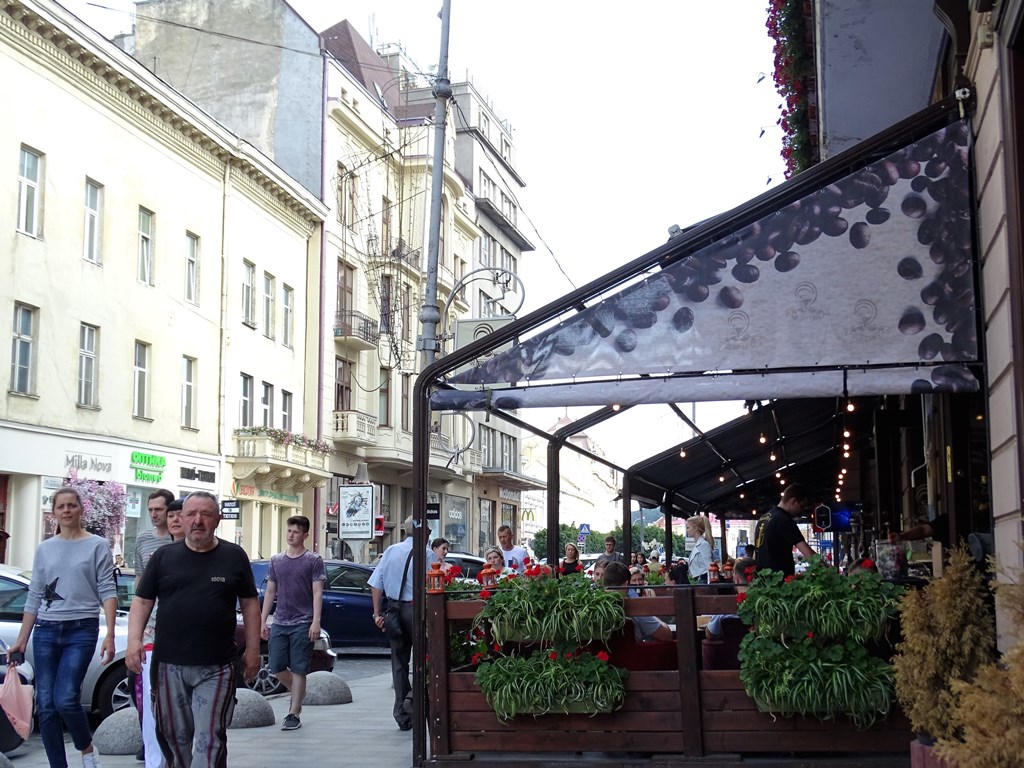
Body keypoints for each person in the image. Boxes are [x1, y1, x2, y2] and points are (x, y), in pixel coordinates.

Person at [128, 492, 260, 768]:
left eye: (206, 514)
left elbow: (249, 604)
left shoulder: (233, 556)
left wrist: (253, 651)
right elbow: (142, 601)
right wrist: (133, 641)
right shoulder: (164, 557)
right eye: (191, 514)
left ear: (217, 520)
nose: (197, 521)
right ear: (181, 519)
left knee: (209, 738)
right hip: (168, 665)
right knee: (175, 739)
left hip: (218, 665)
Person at [8, 487, 117, 768]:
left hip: (81, 630)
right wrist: (21, 640)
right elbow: (34, 595)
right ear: (54, 512)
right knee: (45, 706)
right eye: (61, 507)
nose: (67, 510)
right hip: (45, 631)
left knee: (66, 699)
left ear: (81, 509)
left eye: (72, 505)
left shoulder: (97, 545)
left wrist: (111, 636)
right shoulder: (45, 549)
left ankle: (86, 746)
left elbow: (107, 590)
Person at [368, 517, 435, 731]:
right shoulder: (427, 553)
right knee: (425, 658)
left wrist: (377, 613)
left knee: (398, 663)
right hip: (416, 610)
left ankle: (401, 713)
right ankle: (412, 699)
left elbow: (375, 584)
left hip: (394, 610)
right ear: (422, 532)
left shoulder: (390, 551)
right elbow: (432, 584)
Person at [260, 515, 325, 732]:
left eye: (296, 532)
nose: (291, 535)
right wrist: (262, 619)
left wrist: (316, 622)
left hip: (303, 621)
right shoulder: (276, 560)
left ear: (305, 535)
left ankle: (293, 712)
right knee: (276, 665)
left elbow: (317, 593)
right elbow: (270, 591)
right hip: (280, 621)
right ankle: (299, 692)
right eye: (289, 530)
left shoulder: (313, 560)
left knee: (299, 668)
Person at [133, 489, 176, 767]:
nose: (155, 515)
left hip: (176, 629)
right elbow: (139, 581)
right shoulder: (142, 540)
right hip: (149, 629)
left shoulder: (180, 543)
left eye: (159, 509)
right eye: (151, 510)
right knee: (146, 695)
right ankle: (153, 756)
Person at [754, 483, 816, 577]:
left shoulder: (763, 518)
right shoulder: (784, 520)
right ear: (793, 501)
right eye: (801, 506)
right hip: (779, 582)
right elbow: (809, 554)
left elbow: (757, 553)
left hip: (763, 582)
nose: (801, 511)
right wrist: (829, 571)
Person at [603, 562, 672, 641]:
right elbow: (666, 635)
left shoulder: (594, 604)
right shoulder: (633, 605)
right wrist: (658, 621)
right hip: (633, 652)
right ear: (626, 584)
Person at [705, 557, 755, 640]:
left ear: (736, 580)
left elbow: (710, 634)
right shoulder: (768, 604)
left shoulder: (725, 607)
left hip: (731, 651)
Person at [889, 512, 953, 549]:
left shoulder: (948, 520)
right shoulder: (944, 523)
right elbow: (923, 531)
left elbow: (924, 530)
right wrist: (902, 536)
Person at [685, 516, 715, 584]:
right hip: (698, 581)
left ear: (695, 528)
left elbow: (709, 567)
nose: (687, 530)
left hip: (703, 582)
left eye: (688, 527)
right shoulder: (698, 544)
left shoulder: (704, 544)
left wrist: (709, 585)